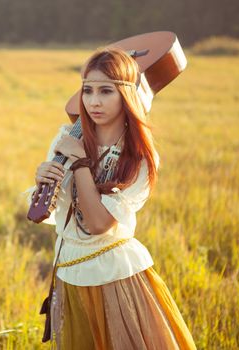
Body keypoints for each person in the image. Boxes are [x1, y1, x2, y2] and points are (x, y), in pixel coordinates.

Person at [23, 47, 197, 349]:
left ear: (127, 96)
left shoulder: (140, 158)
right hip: (69, 272)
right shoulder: (67, 137)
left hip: (116, 277)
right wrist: (44, 181)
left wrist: (79, 165)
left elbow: (100, 223)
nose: (93, 101)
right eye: (87, 91)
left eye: (106, 91)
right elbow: (49, 211)